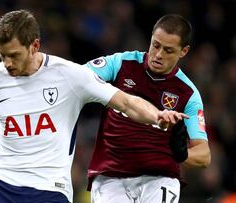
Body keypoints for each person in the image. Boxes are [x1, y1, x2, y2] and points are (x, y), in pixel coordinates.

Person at [0, 10, 187, 203]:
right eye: (2, 55)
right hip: (0, 182)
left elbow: (125, 101)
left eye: (14, 55)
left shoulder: (70, 76)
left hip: (49, 190)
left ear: (35, 46)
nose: (7, 63)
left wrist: (157, 116)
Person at [85, 14, 211, 203]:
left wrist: (181, 153)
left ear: (183, 51)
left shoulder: (188, 94)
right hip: (111, 175)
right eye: (156, 45)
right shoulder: (121, 64)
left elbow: (204, 156)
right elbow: (78, 77)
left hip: (160, 178)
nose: (159, 55)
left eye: (168, 50)